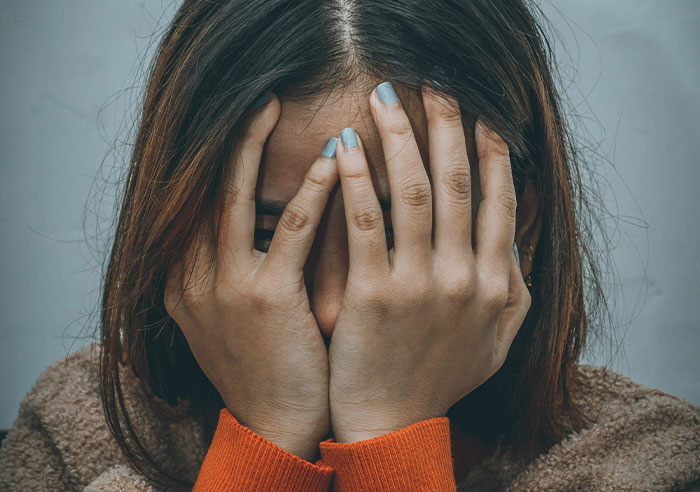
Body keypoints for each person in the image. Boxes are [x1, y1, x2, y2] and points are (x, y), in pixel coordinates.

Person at [1, 1, 699, 491]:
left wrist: (389, 441)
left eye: (400, 237)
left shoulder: (645, 459)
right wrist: (266, 443)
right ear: (177, 222)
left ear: (519, 221)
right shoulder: (75, 436)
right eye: (270, 239)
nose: (334, 309)